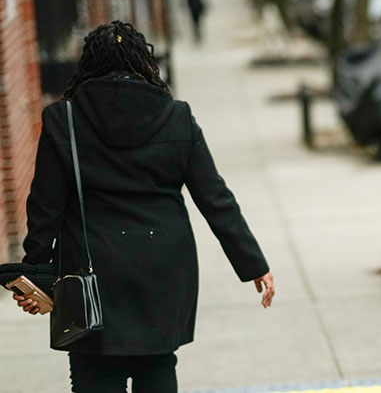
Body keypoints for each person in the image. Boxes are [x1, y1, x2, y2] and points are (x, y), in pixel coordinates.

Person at [13, 20, 275, 392]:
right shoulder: (176, 117)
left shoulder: (63, 120)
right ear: (144, 63)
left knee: (94, 372)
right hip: (163, 273)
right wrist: (253, 263)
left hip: (92, 275)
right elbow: (215, 199)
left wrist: (37, 274)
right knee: (157, 368)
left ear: (88, 65)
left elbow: (44, 208)